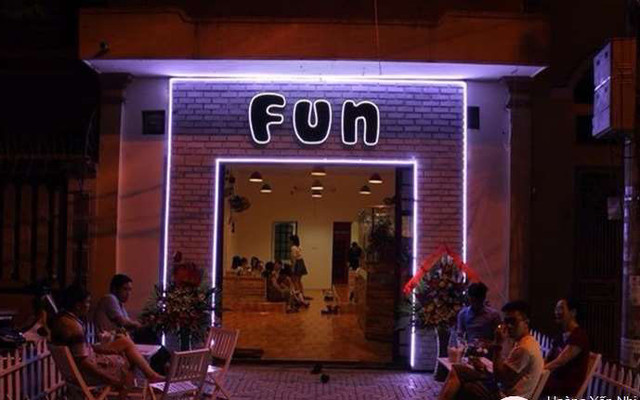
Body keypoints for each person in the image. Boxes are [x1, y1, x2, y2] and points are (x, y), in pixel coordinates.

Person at [50, 284, 163, 395]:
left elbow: (79, 351)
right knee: (128, 361)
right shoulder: (74, 327)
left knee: (124, 342)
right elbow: (83, 362)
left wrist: (97, 348)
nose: (89, 306)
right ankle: (147, 378)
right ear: (78, 305)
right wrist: (109, 378)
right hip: (87, 373)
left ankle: (150, 376)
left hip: (80, 369)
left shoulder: (62, 320)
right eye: (87, 302)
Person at [439, 300, 544, 400]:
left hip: (504, 396)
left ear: (526, 322)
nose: (509, 326)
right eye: (506, 321)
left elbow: (500, 379)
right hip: (504, 391)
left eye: (513, 321)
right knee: (461, 377)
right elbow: (506, 376)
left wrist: (498, 344)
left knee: (459, 373)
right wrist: (484, 370)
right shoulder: (529, 342)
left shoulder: (524, 348)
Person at [541, 298, 590, 397]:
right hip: (553, 382)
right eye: (556, 309)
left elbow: (560, 361)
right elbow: (548, 358)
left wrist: (538, 371)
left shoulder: (579, 336)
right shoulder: (560, 335)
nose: (556, 312)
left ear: (573, 312)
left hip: (565, 388)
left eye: (561, 308)